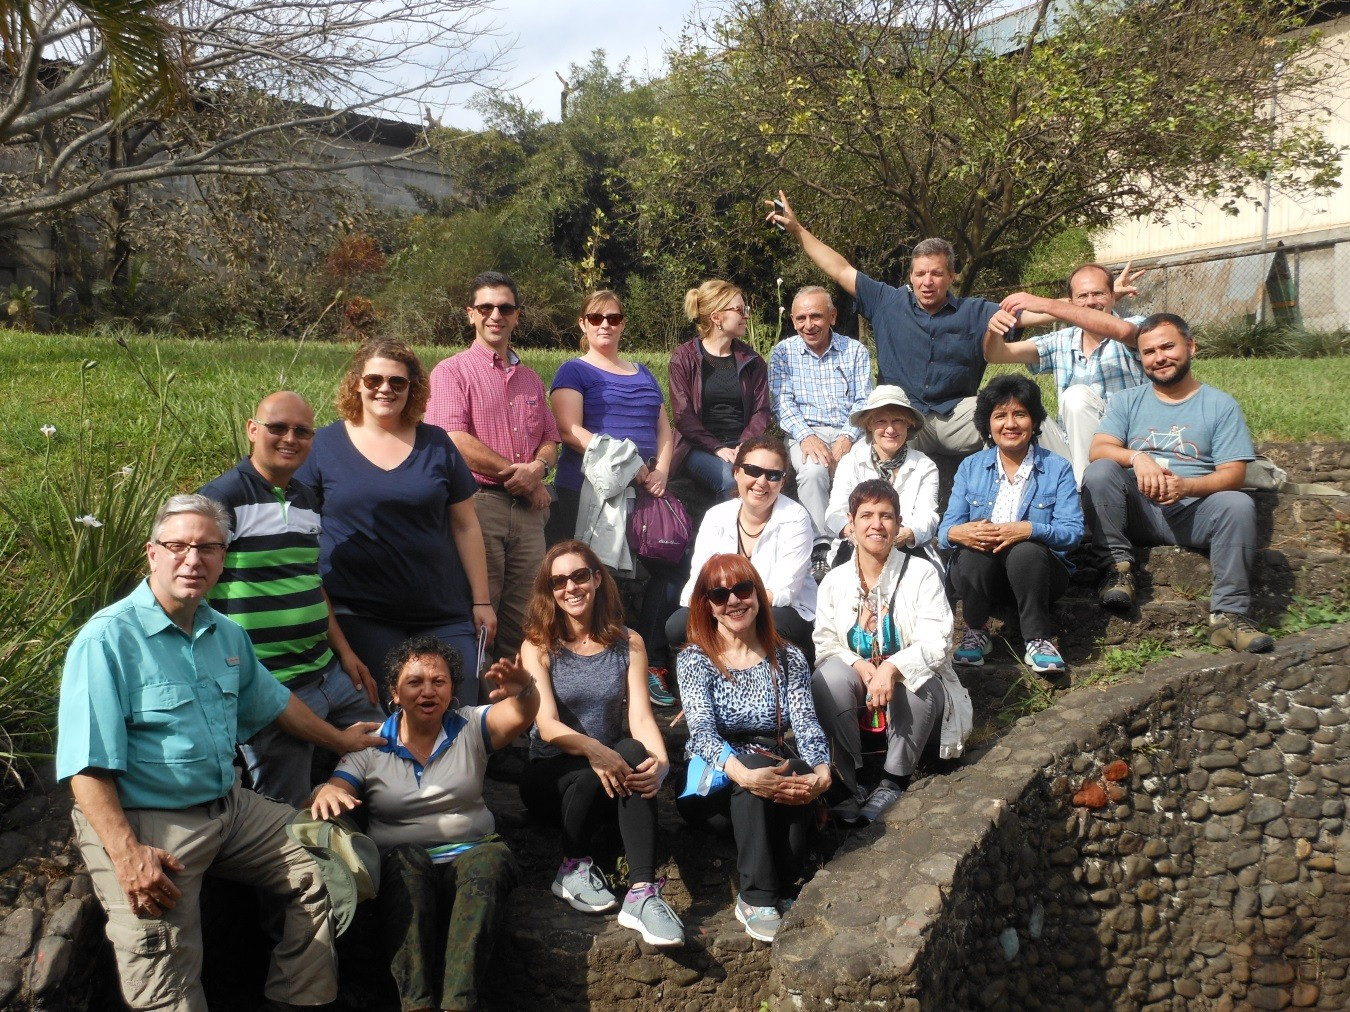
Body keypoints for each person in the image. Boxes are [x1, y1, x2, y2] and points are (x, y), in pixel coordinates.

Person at [56, 493, 385, 1012]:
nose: (193, 559)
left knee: (332, 863)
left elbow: (276, 704)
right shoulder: (107, 640)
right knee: (167, 981)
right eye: (178, 546)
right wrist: (127, 855)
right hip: (149, 824)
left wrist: (341, 741)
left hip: (228, 809)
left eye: (208, 548)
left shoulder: (225, 634)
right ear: (152, 553)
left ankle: (295, 1000)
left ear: (223, 559)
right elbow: (85, 767)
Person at [310, 635, 538, 1012]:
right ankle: (415, 1005)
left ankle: (457, 1006)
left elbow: (521, 713)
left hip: (472, 852)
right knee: (406, 864)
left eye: (439, 681)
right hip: (401, 863)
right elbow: (335, 788)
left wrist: (525, 689)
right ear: (394, 693)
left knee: (490, 862)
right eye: (415, 682)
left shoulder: (471, 726)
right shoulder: (371, 744)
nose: (428, 691)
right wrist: (326, 790)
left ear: (452, 690)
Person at [198, 391, 384, 807]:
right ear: (252, 430)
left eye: (302, 431)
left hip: (326, 670)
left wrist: (345, 652)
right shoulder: (221, 499)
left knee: (387, 747)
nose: (289, 438)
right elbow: (191, 587)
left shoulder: (305, 498)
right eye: (277, 428)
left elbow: (308, 580)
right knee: (284, 806)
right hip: (268, 683)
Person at [297, 337, 496, 704]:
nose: (385, 389)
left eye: (397, 382)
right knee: (392, 714)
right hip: (361, 614)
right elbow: (301, 533)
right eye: (374, 380)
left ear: (412, 388)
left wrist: (481, 602)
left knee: (459, 709)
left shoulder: (436, 443)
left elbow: (465, 525)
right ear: (357, 383)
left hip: (443, 611)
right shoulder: (322, 446)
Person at [518, 541, 683, 948]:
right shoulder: (538, 645)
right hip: (551, 774)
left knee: (635, 754)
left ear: (596, 578)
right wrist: (595, 750)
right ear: (549, 591)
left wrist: (660, 764)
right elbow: (547, 725)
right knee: (598, 769)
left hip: (607, 773)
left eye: (579, 576)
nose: (570, 588)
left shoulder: (629, 642)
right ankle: (571, 868)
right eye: (559, 581)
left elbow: (641, 718)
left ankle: (642, 893)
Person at [1081, 313, 1274, 653]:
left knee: (1239, 503)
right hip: (1137, 510)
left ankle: (1228, 617)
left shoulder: (1220, 405)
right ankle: (1118, 570)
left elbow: (1234, 474)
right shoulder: (1127, 400)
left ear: (1191, 347)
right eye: (1149, 352)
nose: (1159, 358)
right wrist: (1138, 458)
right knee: (1100, 471)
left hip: (1193, 512)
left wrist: (1186, 487)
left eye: (1168, 347)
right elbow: (1099, 448)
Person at [768, 191, 1000, 457]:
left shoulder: (975, 311)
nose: (927, 281)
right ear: (910, 276)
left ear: (951, 276)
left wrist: (1043, 305)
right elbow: (840, 269)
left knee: (1004, 413)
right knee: (885, 433)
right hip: (904, 416)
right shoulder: (886, 302)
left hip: (955, 415)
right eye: (920, 273)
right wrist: (797, 230)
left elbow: (1021, 314)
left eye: (936, 273)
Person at [674, 554, 832, 943]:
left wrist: (822, 773)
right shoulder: (695, 659)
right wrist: (743, 773)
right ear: (707, 605)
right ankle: (755, 898)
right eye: (720, 594)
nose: (733, 601)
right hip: (713, 783)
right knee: (752, 770)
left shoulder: (788, 657)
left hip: (769, 769)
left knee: (796, 771)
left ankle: (787, 883)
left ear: (758, 594)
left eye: (742, 589)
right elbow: (702, 733)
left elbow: (806, 722)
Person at [547, 289, 681, 705]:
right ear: (583, 323)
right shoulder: (573, 371)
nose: (605, 324)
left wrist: (660, 470)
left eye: (614, 317)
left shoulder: (644, 373)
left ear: (623, 323)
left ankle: (651, 662)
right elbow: (569, 430)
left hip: (646, 493)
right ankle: (595, 669)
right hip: (591, 492)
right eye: (596, 317)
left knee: (671, 568)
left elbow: (664, 429)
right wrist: (629, 463)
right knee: (593, 578)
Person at [813, 480, 972, 825]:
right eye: (866, 515)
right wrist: (859, 665)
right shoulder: (834, 582)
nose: (877, 524)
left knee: (915, 681)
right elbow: (825, 643)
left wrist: (891, 668)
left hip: (918, 707)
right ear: (851, 523)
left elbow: (937, 641)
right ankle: (851, 782)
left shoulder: (922, 573)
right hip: (859, 698)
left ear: (898, 524)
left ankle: (893, 781)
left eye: (886, 516)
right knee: (828, 675)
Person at [426, 271, 561, 662]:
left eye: (505, 308)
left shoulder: (530, 379)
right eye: (485, 307)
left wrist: (538, 469)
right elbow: (453, 439)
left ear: (517, 315)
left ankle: (518, 695)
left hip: (528, 513)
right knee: (479, 615)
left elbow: (550, 439)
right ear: (471, 314)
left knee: (527, 619)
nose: (495, 315)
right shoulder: (451, 372)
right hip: (477, 506)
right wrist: (519, 475)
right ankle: (476, 696)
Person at [938, 375, 1084, 674]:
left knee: (1025, 550)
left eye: (1020, 414)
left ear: (1034, 420)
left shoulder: (1057, 468)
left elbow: (1072, 533)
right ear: (988, 423)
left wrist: (1030, 529)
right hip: (980, 578)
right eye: (1000, 416)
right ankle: (975, 631)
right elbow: (944, 532)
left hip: (1038, 577)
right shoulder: (970, 467)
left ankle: (1038, 639)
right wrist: (960, 532)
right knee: (973, 551)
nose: (1010, 424)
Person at [983, 261, 1148, 481]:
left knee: (1076, 397)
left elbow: (1125, 332)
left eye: (1098, 294)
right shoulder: (1061, 340)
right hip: (1071, 448)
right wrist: (994, 331)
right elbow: (997, 355)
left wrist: (1045, 304)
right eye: (1082, 296)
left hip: (1124, 446)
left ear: (1113, 296)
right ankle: (998, 493)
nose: (1090, 301)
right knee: (1010, 420)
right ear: (1071, 302)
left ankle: (1083, 492)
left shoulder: (1136, 326)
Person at [666, 436, 817, 663]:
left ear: (782, 482)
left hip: (776, 609)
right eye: (753, 471)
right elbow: (699, 581)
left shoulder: (795, 517)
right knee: (678, 625)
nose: (761, 482)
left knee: (779, 624)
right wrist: (727, 610)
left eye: (773, 475)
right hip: (723, 607)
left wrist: (736, 610)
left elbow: (785, 591)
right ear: (736, 472)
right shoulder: (716, 516)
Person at [767, 285, 873, 576]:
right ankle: (822, 546)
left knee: (863, 468)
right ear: (792, 320)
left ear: (832, 316)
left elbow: (863, 400)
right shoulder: (783, 353)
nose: (808, 324)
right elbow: (781, 402)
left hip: (850, 429)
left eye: (816, 316)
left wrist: (846, 437)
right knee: (813, 472)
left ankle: (863, 540)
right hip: (805, 431)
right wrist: (806, 436)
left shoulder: (855, 351)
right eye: (801, 318)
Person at [670, 279, 771, 498]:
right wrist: (716, 447)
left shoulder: (753, 361)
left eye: (746, 309)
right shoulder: (684, 358)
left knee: (772, 475)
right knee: (731, 481)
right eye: (739, 310)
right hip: (697, 448)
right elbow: (682, 415)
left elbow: (761, 411)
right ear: (716, 317)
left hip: (742, 445)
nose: (746, 315)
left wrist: (744, 445)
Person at [824, 385, 940, 570]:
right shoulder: (851, 462)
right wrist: (852, 532)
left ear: (908, 424)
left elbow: (928, 516)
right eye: (881, 421)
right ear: (869, 425)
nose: (890, 429)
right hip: (856, 545)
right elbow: (835, 512)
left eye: (898, 421)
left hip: (906, 547)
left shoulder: (924, 465)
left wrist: (907, 534)